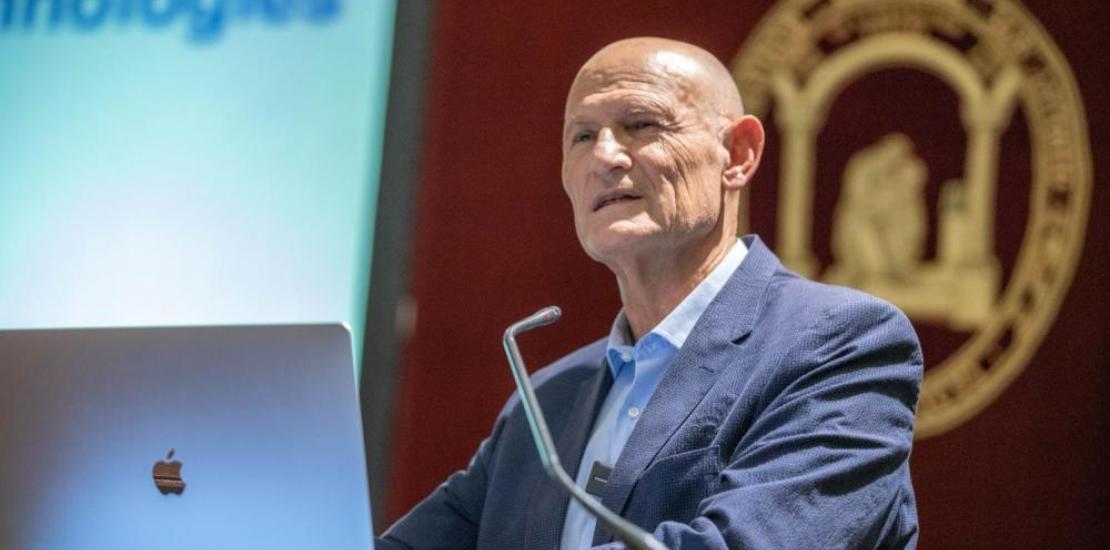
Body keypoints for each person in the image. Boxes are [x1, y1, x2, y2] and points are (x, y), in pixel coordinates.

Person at [377, 37, 922, 549]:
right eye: (582, 136)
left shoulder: (843, 345)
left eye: (640, 124)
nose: (605, 157)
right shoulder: (546, 400)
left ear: (738, 155)